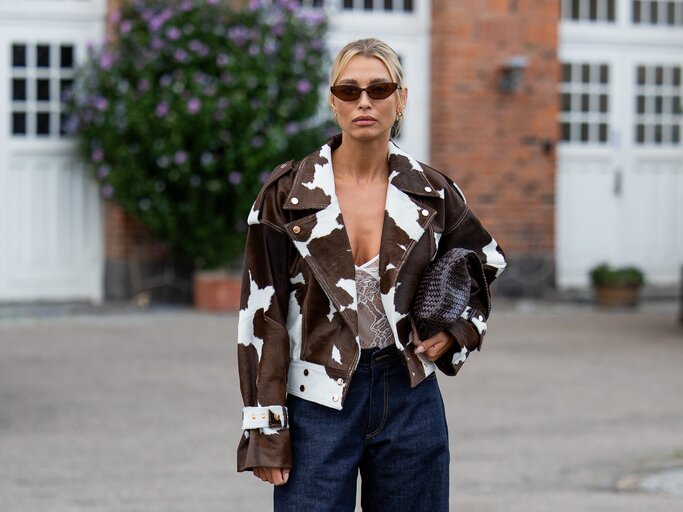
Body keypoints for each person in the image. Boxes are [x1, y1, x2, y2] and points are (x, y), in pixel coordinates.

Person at [236, 38, 507, 511]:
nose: (364, 101)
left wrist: (457, 330)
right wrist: (265, 428)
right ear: (333, 100)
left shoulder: (431, 192)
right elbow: (262, 315)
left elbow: (484, 259)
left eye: (380, 89)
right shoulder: (288, 194)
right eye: (350, 89)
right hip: (315, 401)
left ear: (401, 99)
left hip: (409, 395)